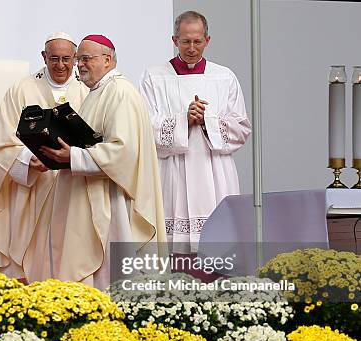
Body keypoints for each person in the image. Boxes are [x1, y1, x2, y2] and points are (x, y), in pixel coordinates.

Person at [39, 34, 167, 289]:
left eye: (86, 59)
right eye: (80, 60)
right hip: (93, 198)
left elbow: (122, 151)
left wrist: (73, 156)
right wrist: (55, 155)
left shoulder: (120, 92)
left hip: (111, 204)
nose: (80, 65)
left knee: (110, 278)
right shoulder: (98, 92)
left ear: (107, 60)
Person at [0, 32, 89, 282]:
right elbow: (0, 145)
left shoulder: (86, 91)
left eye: (66, 59)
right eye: (54, 59)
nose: (60, 65)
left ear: (75, 59)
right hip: (32, 189)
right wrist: (28, 160)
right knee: (30, 258)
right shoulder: (21, 90)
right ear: (43, 57)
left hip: (72, 186)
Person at [139, 11, 251, 254]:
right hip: (172, 170)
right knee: (174, 252)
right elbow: (144, 126)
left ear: (207, 40)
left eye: (197, 41)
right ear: (174, 40)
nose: (192, 48)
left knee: (218, 249)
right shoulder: (154, 76)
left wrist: (205, 121)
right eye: (186, 41)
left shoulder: (224, 77)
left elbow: (241, 127)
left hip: (215, 170)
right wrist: (183, 120)